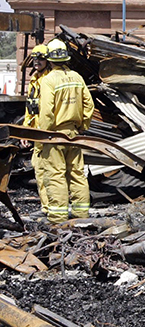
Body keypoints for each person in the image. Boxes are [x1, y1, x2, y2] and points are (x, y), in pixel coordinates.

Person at [36, 39, 94, 224]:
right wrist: (83, 125)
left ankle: (58, 218)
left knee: (56, 174)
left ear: (50, 59)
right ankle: (81, 215)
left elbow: (46, 112)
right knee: (77, 173)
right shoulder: (77, 77)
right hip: (74, 134)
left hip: (55, 134)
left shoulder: (48, 80)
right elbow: (89, 104)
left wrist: (44, 135)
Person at [24, 44, 51, 214]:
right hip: (36, 132)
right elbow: (29, 108)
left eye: (40, 58)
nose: (37, 61)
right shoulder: (34, 80)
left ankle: (51, 208)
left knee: (48, 171)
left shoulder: (49, 79)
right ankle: (46, 206)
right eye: (34, 58)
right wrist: (26, 130)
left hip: (47, 133)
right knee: (38, 169)